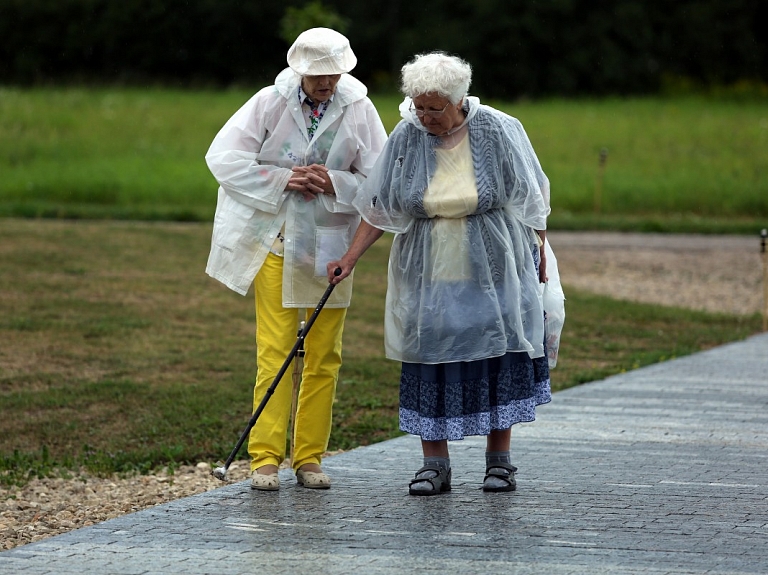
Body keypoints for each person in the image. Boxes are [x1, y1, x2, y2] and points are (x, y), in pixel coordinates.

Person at [327, 52, 554, 495]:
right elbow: (382, 204)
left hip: (493, 255)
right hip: (427, 261)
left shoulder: (499, 128)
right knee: (428, 350)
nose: (425, 116)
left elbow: (531, 194)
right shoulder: (407, 135)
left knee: (497, 349)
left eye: (435, 108)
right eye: (419, 106)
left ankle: (499, 462)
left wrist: (540, 248)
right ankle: (435, 464)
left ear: (458, 99)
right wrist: (350, 257)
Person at [205, 28, 387, 491]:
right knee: (275, 350)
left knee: (325, 354)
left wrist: (336, 184)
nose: (327, 82)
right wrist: (284, 178)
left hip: (330, 245)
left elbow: (381, 179)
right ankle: (264, 458)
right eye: (317, 74)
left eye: (334, 73)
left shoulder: (360, 108)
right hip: (276, 241)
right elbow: (223, 158)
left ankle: (309, 457)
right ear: (299, 70)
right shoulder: (269, 101)